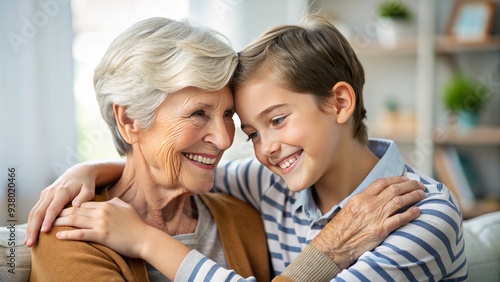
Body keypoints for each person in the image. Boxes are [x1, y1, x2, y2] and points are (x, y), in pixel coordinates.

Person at [26, 15, 435, 281]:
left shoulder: (245, 210)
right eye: (199, 114)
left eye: (227, 117)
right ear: (130, 120)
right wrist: (82, 173)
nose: (224, 141)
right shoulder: (70, 232)